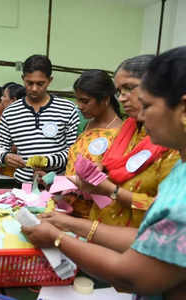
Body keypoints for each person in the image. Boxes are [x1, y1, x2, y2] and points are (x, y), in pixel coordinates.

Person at [22, 46, 186, 300]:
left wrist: (57, 238)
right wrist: (70, 223)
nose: (138, 114)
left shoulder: (175, 166)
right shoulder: (177, 168)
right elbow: (148, 236)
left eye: (147, 104)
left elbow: (133, 275)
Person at [67, 55, 178, 227]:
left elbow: (160, 210)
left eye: (129, 88)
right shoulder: (129, 128)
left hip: (132, 240)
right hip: (101, 227)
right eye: (119, 91)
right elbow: (115, 166)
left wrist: (111, 191)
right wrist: (100, 172)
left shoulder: (173, 145)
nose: (121, 98)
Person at [0, 55, 80, 183]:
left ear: (50, 80)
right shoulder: (10, 112)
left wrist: (47, 162)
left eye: (40, 83)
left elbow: (74, 151)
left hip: (58, 185)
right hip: (23, 186)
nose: (34, 88)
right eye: (29, 83)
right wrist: (5, 157)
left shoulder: (68, 109)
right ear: (23, 79)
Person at [54, 70, 123, 218]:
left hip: (95, 213)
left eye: (85, 101)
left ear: (105, 99)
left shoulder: (120, 133)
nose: (79, 106)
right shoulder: (87, 124)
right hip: (68, 207)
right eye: (77, 100)